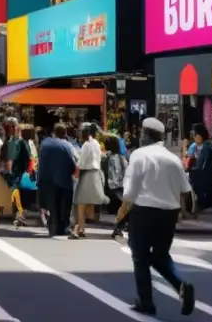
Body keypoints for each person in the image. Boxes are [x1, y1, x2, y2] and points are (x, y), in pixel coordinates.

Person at [122, 117, 194, 316]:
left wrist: (123, 210)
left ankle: (146, 302)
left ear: (145, 134)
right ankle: (181, 285)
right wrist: (184, 213)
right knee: (160, 255)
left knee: (140, 257)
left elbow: (129, 191)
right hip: (169, 213)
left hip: (144, 211)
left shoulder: (139, 155)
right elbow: (185, 190)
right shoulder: (173, 159)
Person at [38, 123, 77, 237]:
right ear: (65, 134)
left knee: (52, 204)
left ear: (54, 132)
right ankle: (63, 226)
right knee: (64, 205)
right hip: (64, 179)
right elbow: (73, 162)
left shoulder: (44, 144)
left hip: (47, 179)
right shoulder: (68, 145)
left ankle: (53, 225)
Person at [72, 123, 107, 239]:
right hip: (95, 174)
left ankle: (77, 229)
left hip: (87, 174)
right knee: (86, 203)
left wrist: (76, 158)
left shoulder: (86, 145)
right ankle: (81, 228)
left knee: (80, 203)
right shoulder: (96, 143)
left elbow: (81, 163)